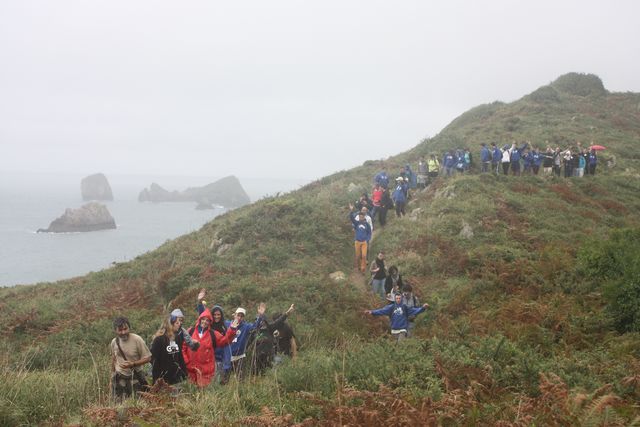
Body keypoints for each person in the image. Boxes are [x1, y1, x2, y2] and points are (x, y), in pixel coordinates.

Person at [182, 308, 238, 387]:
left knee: (204, 393)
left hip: (206, 370)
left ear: (210, 322)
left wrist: (232, 329)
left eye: (207, 320)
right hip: (190, 369)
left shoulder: (213, 334)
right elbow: (183, 347)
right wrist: (187, 362)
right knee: (191, 392)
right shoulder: (190, 331)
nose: (204, 322)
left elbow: (224, 340)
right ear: (200, 319)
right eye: (203, 319)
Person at [221, 303, 267, 384]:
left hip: (240, 357)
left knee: (241, 381)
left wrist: (260, 315)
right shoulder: (227, 324)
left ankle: (239, 395)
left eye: (242, 316)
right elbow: (215, 322)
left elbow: (256, 326)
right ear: (234, 315)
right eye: (238, 315)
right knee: (224, 381)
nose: (239, 317)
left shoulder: (246, 326)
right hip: (228, 357)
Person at [110, 316, 152, 400]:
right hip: (119, 377)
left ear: (129, 328)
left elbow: (148, 358)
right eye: (120, 330)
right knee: (118, 403)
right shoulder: (114, 342)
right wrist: (111, 379)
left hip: (135, 377)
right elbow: (113, 359)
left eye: (125, 329)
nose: (123, 332)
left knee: (138, 402)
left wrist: (133, 364)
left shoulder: (137, 339)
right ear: (115, 330)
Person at [364, 293, 430, 342]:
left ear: (401, 299)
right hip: (394, 330)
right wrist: (372, 312)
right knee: (395, 347)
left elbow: (414, 311)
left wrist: (423, 308)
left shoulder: (405, 307)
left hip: (402, 329)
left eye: (399, 298)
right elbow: (382, 311)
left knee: (400, 345)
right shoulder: (391, 307)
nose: (398, 299)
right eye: (397, 298)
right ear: (395, 299)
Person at [250, 304, 295, 374]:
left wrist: (288, 312)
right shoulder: (254, 330)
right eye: (259, 320)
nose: (261, 322)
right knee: (255, 375)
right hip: (257, 357)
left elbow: (280, 320)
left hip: (269, 357)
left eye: (263, 321)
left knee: (268, 374)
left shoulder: (270, 328)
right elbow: (247, 342)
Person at [151, 309, 189, 386]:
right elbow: (154, 360)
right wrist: (157, 378)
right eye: (176, 323)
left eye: (180, 322)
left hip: (176, 378)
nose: (179, 324)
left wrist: (184, 373)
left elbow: (179, 356)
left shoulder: (177, 338)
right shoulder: (159, 340)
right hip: (163, 379)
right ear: (170, 324)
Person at [349, 205, 372, 273]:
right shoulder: (357, 223)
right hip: (357, 242)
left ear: (364, 217)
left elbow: (369, 232)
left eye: (362, 217)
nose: (360, 218)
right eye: (359, 217)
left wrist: (367, 239)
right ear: (358, 217)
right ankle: (359, 266)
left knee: (364, 256)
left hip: (364, 242)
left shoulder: (366, 224)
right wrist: (351, 211)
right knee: (358, 256)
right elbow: (352, 218)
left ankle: (363, 269)